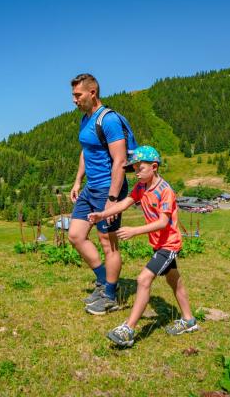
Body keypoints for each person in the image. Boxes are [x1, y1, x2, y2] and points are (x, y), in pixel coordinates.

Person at [88, 145, 199, 347]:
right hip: (158, 245)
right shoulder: (141, 187)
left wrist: (134, 231)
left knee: (143, 279)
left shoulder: (165, 191)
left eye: (140, 168)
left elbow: (163, 223)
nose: (136, 173)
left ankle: (128, 330)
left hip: (169, 245)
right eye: (135, 169)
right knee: (174, 281)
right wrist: (102, 214)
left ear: (154, 167)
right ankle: (188, 320)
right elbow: (126, 202)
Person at [69, 73, 131, 315]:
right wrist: (77, 181)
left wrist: (112, 200)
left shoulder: (109, 120)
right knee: (75, 235)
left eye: (78, 95)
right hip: (90, 187)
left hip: (108, 188)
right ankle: (103, 280)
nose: (74, 100)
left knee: (109, 244)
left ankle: (110, 296)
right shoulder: (86, 119)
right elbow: (86, 151)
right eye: (73, 95)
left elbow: (120, 160)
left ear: (92, 92)